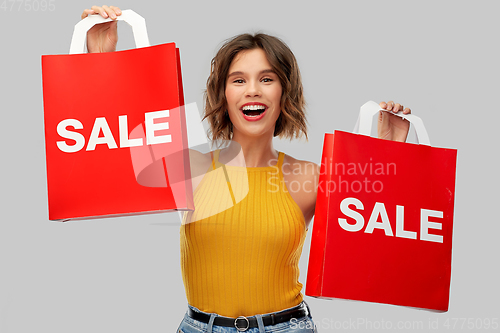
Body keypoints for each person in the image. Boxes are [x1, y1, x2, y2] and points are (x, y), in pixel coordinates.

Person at [81, 5, 413, 333]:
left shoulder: (311, 177)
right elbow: (107, 154)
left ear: (284, 93)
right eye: (238, 80)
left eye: (266, 79)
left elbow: (378, 241)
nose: (252, 89)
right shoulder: (188, 168)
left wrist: (387, 147)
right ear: (223, 95)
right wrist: (100, 60)